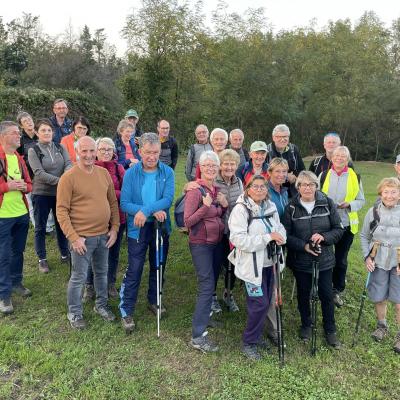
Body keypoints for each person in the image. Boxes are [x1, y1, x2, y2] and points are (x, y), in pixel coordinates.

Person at [57, 136, 120, 330]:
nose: (89, 155)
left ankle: (101, 305)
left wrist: (115, 228)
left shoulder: (103, 173)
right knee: (79, 276)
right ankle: (74, 313)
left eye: (92, 150)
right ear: (76, 152)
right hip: (82, 238)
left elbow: (112, 203)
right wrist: (74, 238)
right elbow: (61, 211)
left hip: (103, 235)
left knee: (102, 273)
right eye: (84, 151)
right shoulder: (68, 177)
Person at [119, 132, 174, 333]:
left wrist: (146, 210)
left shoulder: (167, 172)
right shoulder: (131, 173)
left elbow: (167, 200)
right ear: (140, 151)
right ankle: (126, 310)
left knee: (158, 265)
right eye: (148, 152)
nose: (152, 157)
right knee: (134, 268)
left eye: (156, 152)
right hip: (138, 228)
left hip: (160, 227)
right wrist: (144, 211)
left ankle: (154, 300)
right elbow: (125, 203)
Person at [283, 171, 344, 348]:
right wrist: (304, 246)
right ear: (298, 187)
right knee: (304, 294)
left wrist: (324, 237)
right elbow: (285, 235)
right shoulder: (291, 207)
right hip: (301, 261)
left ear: (316, 186)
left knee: (326, 294)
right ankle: (306, 324)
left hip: (324, 260)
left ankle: (330, 329)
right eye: (303, 184)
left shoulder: (327, 203)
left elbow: (338, 229)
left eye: (311, 184)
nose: (307, 188)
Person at [229, 175, 286, 360]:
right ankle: (249, 342)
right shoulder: (240, 209)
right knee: (258, 304)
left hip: (270, 263)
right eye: (256, 186)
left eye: (263, 186)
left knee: (268, 300)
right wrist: (268, 238)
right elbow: (238, 239)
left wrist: (280, 236)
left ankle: (256, 336)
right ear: (248, 189)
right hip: (251, 267)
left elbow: (280, 227)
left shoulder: (270, 206)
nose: (260, 189)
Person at [184, 150, 228, 352]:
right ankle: (197, 336)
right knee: (206, 284)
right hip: (200, 243)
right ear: (200, 168)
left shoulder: (215, 190)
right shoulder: (195, 191)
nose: (211, 168)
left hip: (216, 242)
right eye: (207, 165)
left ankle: (205, 319)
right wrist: (205, 206)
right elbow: (188, 221)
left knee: (211, 283)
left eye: (214, 165)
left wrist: (223, 206)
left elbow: (217, 215)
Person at [320, 146, 365, 307]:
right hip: (326, 224)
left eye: (343, 156)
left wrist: (350, 204)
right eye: (337, 155)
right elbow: (316, 196)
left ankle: (337, 290)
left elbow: (361, 200)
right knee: (323, 258)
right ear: (332, 158)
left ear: (348, 159)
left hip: (346, 225)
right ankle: (321, 287)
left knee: (340, 259)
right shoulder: (324, 175)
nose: (339, 158)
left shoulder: (355, 177)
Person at [360, 177, 400, 354]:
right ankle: (382, 325)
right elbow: (364, 236)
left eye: (393, 192)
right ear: (380, 193)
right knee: (379, 296)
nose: (390, 196)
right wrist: (367, 257)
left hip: (398, 262)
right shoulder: (373, 211)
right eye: (386, 192)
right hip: (378, 260)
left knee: (399, 301)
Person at [28, 119, 72, 273]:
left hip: (60, 194)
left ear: (53, 132)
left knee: (62, 224)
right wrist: (62, 182)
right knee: (40, 227)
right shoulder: (34, 150)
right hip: (41, 194)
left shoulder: (60, 147)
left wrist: (65, 179)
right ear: (37, 133)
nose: (47, 133)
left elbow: (68, 164)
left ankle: (65, 253)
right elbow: (39, 173)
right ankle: (42, 259)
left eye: (49, 130)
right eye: (43, 130)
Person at [84, 137, 126, 299]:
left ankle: (110, 283)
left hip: (117, 217)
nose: (106, 153)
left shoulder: (119, 168)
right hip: (95, 219)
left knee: (113, 253)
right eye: (102, 150)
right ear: (96, 151)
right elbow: (89, 193)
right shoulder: (90, 168)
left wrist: (109, 194)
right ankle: (89, 285)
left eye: (109, 150)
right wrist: (112, 194)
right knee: (92, 252)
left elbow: (126, 193)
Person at [0, 121, 32, 314]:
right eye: (15, 133)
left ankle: (16, 282)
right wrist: (7, 187)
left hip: (21, 213)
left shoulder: (19, 158)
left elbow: (30, 184)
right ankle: (4, 295)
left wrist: (24, 187)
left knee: (18, 251)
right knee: (3, 255)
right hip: (3, 215)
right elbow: (5, 187)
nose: (19, 136)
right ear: (3, 136)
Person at [214, 149, 243, 312]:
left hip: (234, 232)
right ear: (220, 165)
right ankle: (211, 296)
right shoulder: (214, 181)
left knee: (232, 264)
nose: (229, 167)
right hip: (217, 231)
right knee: (215, 265)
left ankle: (228, 293)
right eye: (226, 164)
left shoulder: (238, 182)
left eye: (232, 164)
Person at [266, 124, 305, 197]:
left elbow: (302, 170)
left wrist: (294, 177)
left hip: (293, 193)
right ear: (273, 138)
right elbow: (264, 172)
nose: (282, 139)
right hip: (273, 193)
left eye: (285, 136)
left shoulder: (294, 149)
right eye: (279, 137)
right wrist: (286, 176)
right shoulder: (267, 151)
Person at [16, 111, 38, 226]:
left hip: (42, 174)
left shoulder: (40, 134)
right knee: (31, 202)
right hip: (28, 175)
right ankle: (36, 224)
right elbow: (17, 158)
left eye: (29, 119)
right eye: (25, 121)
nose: (29, 122)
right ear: (21, 126)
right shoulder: (20, 140)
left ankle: (49, 225)